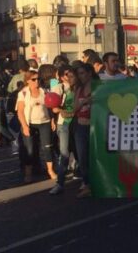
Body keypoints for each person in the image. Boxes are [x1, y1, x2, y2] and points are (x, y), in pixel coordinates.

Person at [16, 70, 56, 183]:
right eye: (33, 79)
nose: (36, 81)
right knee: (29, 149)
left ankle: (50, 170)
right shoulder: (23, 93)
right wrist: (24, 126)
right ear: (28, 80)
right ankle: (28, 173)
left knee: (47, 147)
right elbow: (20, 111)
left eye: (38, 79)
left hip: (45, 121)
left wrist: (52, 119)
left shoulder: (45, 91)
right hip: (30, 123)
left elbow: (50, 106)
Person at [48, 65, 77, 195]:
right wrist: (61, 111)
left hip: (77, 123)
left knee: (80, 152)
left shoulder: (79, 87)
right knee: (64, 153)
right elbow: (53, 107)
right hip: (64, 124)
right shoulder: (58, 88)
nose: (69, 77)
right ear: (60, 77)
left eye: (71, 74)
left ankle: (82, 177)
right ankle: (60, 183)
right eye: (66, 74)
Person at [74, 63, 97, 198]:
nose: (81, 76)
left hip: (94, 125)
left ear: (89, 73)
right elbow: (75, 107)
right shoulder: (79, 88)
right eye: (79, 74)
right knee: (82, 156)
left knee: (94, 155)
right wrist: (84, 102)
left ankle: (93, 182)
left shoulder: (97, 86)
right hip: (81, 125)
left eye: (83, 73)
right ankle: (86, 182)